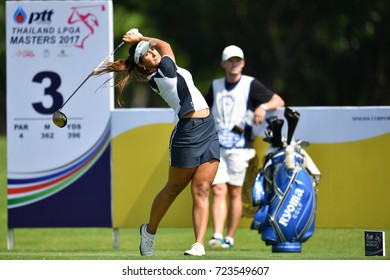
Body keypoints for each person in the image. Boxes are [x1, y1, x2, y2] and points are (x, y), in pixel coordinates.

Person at [93, 29, 220, 256]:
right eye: (148, 55)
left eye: (151, 50)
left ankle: (198, 244)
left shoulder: (164, 66)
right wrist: (139, 38)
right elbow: (165, 44)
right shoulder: (164, 73)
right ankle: (149, 232)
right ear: (144, 66)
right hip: (187, 133)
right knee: (173, 188)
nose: (153, 52)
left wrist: (141, 40)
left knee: (202, 188)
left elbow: (162, 45)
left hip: (208, 128)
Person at [205, 45, 285, 249]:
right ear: (223, 64)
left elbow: (278, 100)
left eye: (237, 60)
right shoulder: (215, 86)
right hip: (217, 146)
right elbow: (204, 112)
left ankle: (230, 237)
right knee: (219, 189)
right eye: (230, 60)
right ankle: (216, 235)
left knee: (234, 192)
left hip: (241, 147)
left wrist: (263, 106)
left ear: (243, 63)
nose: (234, 63)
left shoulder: (251, 84)